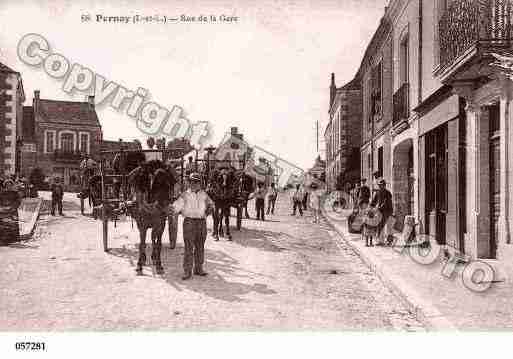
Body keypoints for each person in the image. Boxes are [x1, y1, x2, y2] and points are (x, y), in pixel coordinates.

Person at [171, 172, 215, 280]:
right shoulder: (184, 195)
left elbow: (211, 205)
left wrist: (208, 211)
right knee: (188, 247)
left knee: (200, 246)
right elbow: (175, 208)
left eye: (197, 182)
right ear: (189, 183)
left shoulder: (204, 194)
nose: (194, 184)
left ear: (200, 183)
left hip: (201, 223)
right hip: (189, 222)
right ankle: (187, 271)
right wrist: (171, 209)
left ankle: (198, 268)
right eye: (192, 182)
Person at [370, 178, 393, 245]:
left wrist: (379, 207)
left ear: (384, 185)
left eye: (382, 185)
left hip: (387, 211)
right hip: (380, 211)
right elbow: (373, 202)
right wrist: (370, 208)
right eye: (379, 185)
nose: (380, 186)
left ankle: (389, 241)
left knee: (389, 226)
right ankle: (381, 240)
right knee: (380, 226)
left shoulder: (388, 193)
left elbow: (387, 202)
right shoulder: (377, 193)